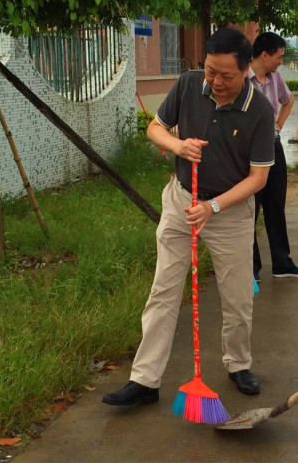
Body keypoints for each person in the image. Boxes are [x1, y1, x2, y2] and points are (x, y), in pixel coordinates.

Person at [102, 28, 275, 405]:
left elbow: (258, 177)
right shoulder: (188, 85)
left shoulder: (260, 110)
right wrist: (178, 145)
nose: (216, 82)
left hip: (228, 212)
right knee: (163, 290)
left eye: (226, 76)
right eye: (211, 71)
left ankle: (238, 364)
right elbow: (155, 128)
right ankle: (145, 381)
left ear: (246, 70)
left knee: (238, 296)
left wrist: (213, 207)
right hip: (182, 200)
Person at [248, 32, 298, 282]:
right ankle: (251, 267)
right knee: (250, 208)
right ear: (264, 55)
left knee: (275, 205)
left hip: (273, 148)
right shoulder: (242, 79)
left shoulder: (275, 78)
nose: (280, 62)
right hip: (248, 153)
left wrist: (279, 125)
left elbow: (289, 99)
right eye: (279, 56)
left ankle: (282, 263)